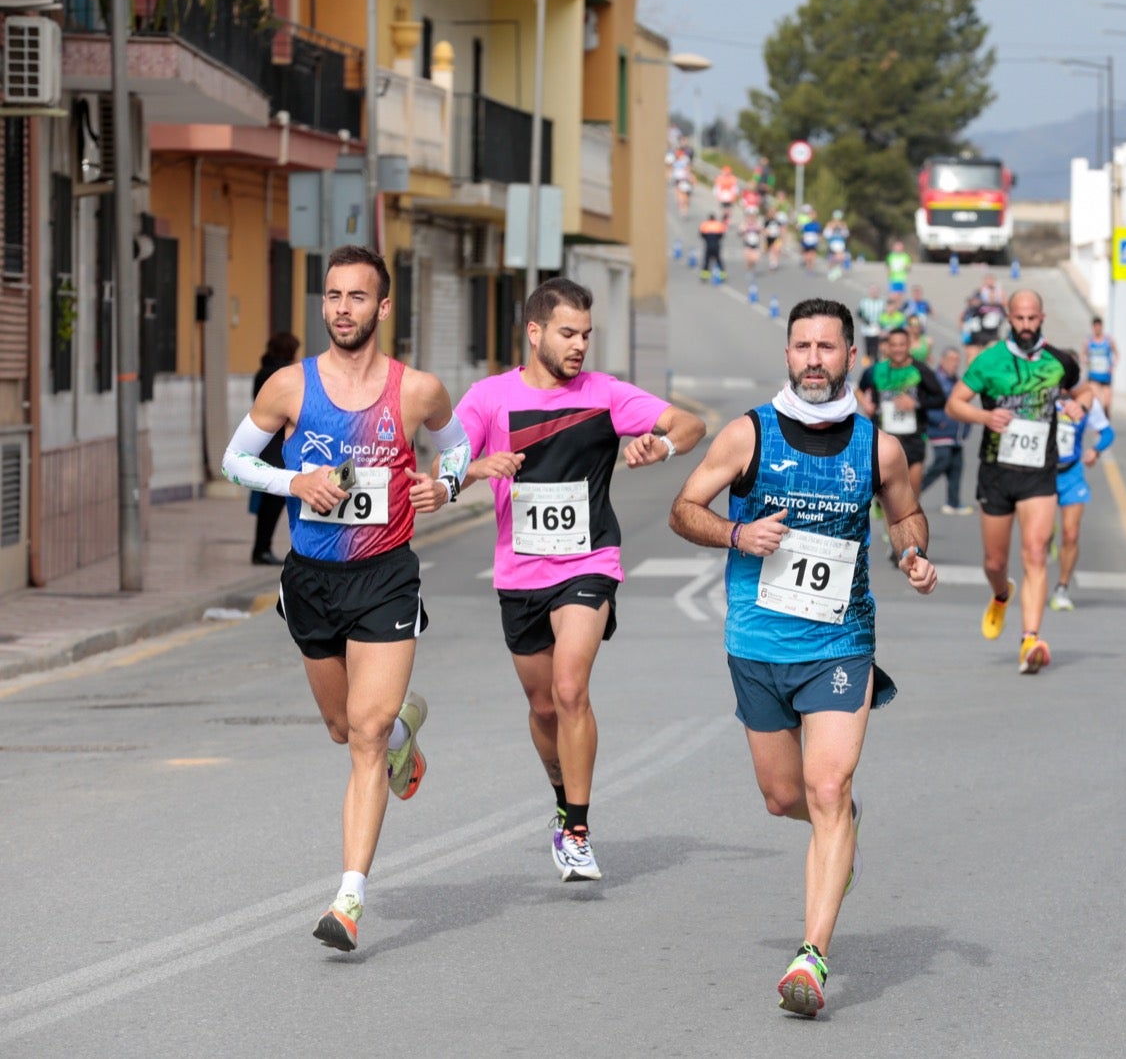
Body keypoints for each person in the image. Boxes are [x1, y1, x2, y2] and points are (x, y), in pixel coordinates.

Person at [667, 297, 938, 1017]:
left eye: (827, 347)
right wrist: (735, 535)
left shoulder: (876, 446)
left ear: (852, 356)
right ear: (787, 355)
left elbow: (906, 511)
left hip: (839, 644)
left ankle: (811, 956)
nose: (813, 359)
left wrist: (911, 552)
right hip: (757, 645)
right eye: (801, 347)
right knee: (785, 798)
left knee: (826, 788)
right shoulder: (746, 434)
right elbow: (683, 507)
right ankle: (841, 830)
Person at [220, 245, 469, 951]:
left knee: (361, 737)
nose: (342, 309)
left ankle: (349, 899)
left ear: (382, 307)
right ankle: (401, 735)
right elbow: (234, 460)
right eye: (332, 296)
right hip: (312, 578)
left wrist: (443, 487)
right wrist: (291, 482)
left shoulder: (417, 390)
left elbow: (455, 450)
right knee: (344, 727)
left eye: (357, 297)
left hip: (386, 576)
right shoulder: (288, 388)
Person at [455, 277, 706, 880]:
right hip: (518, 571)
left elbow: (690, 424)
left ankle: (576, 830)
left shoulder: (605, 394)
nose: (580, 346)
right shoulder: (489, 398)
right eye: (568, 333)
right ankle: (562, 793)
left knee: (570, 690)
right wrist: (475, 468)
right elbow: (441, 468)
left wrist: (662, 447)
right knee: (544, 708)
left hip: (590, 561)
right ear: (534, 331)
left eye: (587, 335)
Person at [944, 288, 1080, 674]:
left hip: (1040, 471)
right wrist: (985, 418)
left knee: (1036, 552)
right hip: (996, 470)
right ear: (1008, 316)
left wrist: (1077, 404)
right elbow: (955, 403)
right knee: (994, 560)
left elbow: (1079, 388)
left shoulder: (1059, 360)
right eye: (1018, 319)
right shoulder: (989, 361)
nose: (1025, 326)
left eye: (1031, 319)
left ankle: (1030, 639)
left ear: (1042, 318)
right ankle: (1001, 594)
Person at [856, 324, 945, 498]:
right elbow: (858, 389)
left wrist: (916, 403)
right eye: (894, 345)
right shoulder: (876, 370)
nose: (898, 349)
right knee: (890, 500)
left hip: (913, 439)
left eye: (902, 344)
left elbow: (940, 399)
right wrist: (866, 404)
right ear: (887, 346)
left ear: (909, 345)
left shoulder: (921, 370)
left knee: (911, 499)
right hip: (883, 439)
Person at [1049, 386, 1115, 612]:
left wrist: (1095, 451)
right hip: (1043, 475)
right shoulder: (1041, 397)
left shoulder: (1084, 405)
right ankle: (1049, 533)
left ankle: (1062, 587)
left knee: (1072, 533)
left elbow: (1107, 433)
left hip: (1071, 475)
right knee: (1043, 534)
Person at [249, 331, 300, 565]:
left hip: (266, 442)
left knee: (269, 500)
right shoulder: (279, 376)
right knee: (273, 499)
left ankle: (262, 547)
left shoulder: (263, 372)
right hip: (276, 445)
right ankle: (261, 549)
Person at [923, 347, 972, 515]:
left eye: (957, 360)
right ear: (942, 360)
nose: (954, 363)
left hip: (957, 434)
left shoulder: (957, 382)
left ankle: (953, 502)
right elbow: (928, 404)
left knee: (956, 467)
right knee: (941, 463)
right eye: (951, 359)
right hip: (940, 432)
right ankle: (913, 492)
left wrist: (966, 427)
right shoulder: (935, 380)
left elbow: (965, 406)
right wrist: (939, 421)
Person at [1083, 317, 1118, 416]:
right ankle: (1099, 429)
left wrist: (1113, 366)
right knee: (1097, 404)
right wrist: (1085, 360)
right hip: (1094, 375)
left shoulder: (1108, 340)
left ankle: (1106, 423)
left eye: (1099, 326)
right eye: (1095, 326)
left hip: (1106, 376)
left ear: (1101, 327)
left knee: (1107, 404)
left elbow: (1116, 354)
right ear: (1093, 327)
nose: (1097, 328)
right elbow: (1083, 355)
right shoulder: (1089, 341)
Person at [857, 285, 886, 365]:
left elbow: (885, 315)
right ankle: (866, 367)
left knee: (877, 351)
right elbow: (859, 313)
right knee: (867, 351)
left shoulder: (882, 302)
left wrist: (881, 326)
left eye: (875, 291)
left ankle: (876, 367)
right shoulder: (864, 302)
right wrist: (867, 322)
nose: (874, 293)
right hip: (866, 330)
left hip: (878, 330)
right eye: (872, 291)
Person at [698, 210, 727, 281]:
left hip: (708, 245)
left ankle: (704, 276)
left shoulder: (705, 224)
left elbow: (702, 235)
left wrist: (707, 240)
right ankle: (722, 275)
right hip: (716, 245)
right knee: (718, 260)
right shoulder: (718, 224)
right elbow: (721, 235)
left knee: (707, 261)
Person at [824, 210, 851, 280]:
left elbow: (846, 234)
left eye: (838, 218)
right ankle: (832, 271)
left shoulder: (843, 224)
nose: (837, 220)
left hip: (841, 244)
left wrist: (843, 227)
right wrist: (831, 228)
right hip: (832, 244)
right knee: (833, 259)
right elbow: (826, 234)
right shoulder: (830, 224)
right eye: (836, 218)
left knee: (841, 258)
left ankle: (837, 271)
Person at [797, 205, 823, 274]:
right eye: (811, 215)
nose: (813, 216)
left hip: (814, 241)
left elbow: (819, 233)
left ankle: (811, 268)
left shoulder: (817, 224)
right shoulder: (805, 223)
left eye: (814, 215)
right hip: (806, 241)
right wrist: (801, 238)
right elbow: (801, 231)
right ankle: (807, 265)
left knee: (813, 255)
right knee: (807, 255)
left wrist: (820, 240)